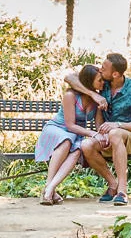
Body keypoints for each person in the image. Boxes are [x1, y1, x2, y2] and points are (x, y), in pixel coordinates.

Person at [80, 52, 131, 206]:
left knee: (116, 133)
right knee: (86, 145)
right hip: (109, 139)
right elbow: (70, 78)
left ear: (115, 74)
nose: (100, 70)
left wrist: (117, 125)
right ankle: (112, 185)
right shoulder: (103, 85)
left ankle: (122, 191)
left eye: (104, 68)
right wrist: (99, 133)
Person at [36, 63, 105, 205]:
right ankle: (49, 188)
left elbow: (98, 124)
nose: (103, 82)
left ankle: (49, 189)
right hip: (57, 129)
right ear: (88, 81)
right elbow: (69, 125)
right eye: (99, 80)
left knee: (77, 150)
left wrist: (102, 134)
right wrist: (92, 133)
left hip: (75, 134)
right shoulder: (70, 95)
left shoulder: (98, 99)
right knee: (67, 140)